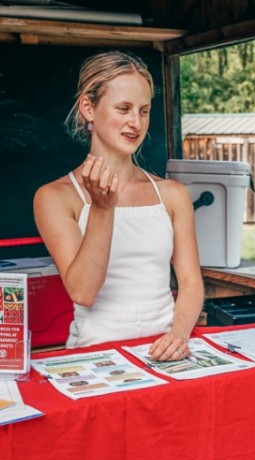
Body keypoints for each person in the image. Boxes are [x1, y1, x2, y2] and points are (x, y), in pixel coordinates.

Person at [34, 51, 204, 361]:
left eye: (144, 110)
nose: (135, 122)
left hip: (165, 352)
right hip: (97, 357)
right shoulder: (55, 196)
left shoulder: (172, 194)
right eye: (123, 108)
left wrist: (178, 334)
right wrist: (102, 208)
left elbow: (191, 282)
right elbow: (83, 293)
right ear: (89, 108)